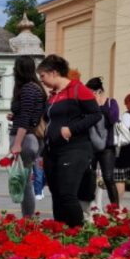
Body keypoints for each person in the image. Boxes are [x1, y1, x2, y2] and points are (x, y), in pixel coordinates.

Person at [37, 54, 101, 227]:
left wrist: (72, 129)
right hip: (52, 152)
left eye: (42, 76)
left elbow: (96, 114)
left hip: (74, 149)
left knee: (67, 194)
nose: (41, 81)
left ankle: (78, 234)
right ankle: (61, 234)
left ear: (54, 72)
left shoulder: (78, 89)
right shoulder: (53, 95)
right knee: (57, 195)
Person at [9, 55, 47, 218]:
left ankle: (28, 218)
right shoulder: (36, 88)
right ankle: (27, 217)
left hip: (26, 138)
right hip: (30, 137)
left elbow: (26, 119)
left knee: (24, 183)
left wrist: (17, 143)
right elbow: (29, 114)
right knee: (26, 181)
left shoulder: (27, 89)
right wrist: (15, 115)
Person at [81, 77, 120, 209]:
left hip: (107, 147)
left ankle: (115, 208)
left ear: (98, 92)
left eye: (90, 92)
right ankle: (89, 208)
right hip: (90, 146)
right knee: (89, 177)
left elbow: (113, 119)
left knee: (108, 178)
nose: (88, 95)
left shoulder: (111, 103)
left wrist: (99, 106)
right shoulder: (88, 105)